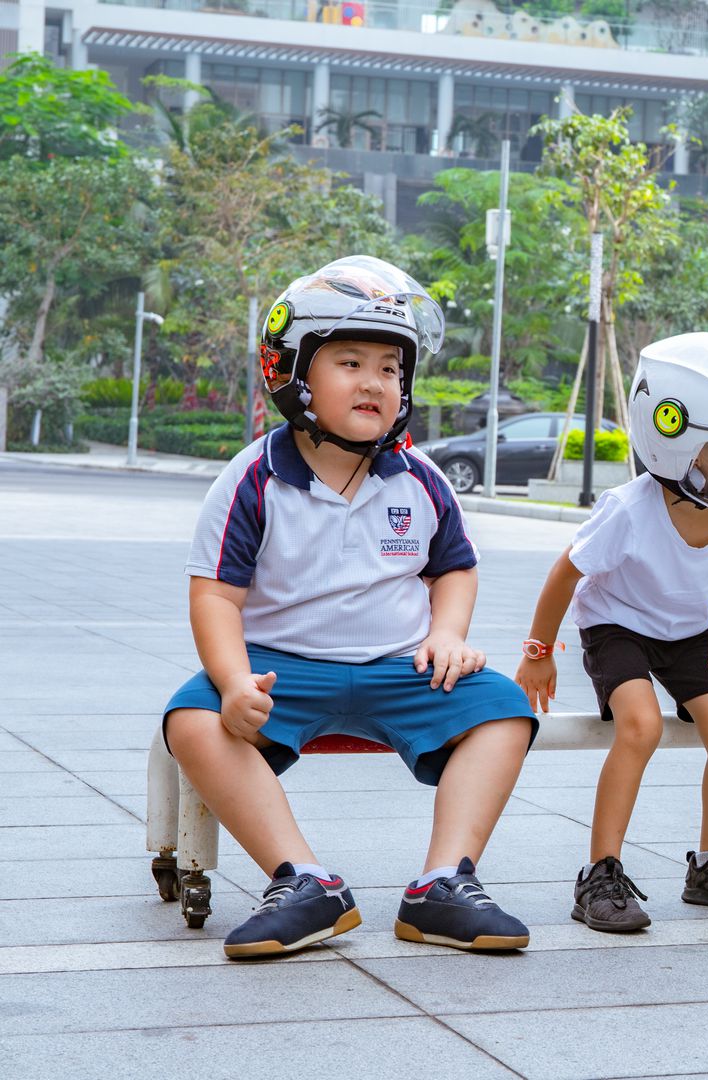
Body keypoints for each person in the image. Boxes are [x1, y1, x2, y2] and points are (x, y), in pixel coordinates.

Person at [163, 256, 537, 958]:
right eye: (351, 362)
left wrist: (448, 633)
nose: (375, 382)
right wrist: (236, 680)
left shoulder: (421, 479)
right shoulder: (253, 479)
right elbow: (215, 594)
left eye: (391, 369)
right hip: (283, 670)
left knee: (504, 709)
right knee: (191, 720)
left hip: (402, 666)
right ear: (293, 373)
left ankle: (444, 883)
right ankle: (302, 881)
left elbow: (454, 568)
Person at [517, 332, 708, 933]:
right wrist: (538, 653)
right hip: (617, 625)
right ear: (681, 447)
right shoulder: (628, 509)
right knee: (639, 726)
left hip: (689, 633)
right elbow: (566, 572)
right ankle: (599, 875)